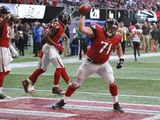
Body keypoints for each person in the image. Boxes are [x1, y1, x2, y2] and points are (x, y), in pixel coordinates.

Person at [51, 16, 124, 113]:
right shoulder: (97, 30)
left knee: (112, 81)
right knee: (75, 84)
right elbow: (81, 28)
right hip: (89, 63)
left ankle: (116, 104)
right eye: (109, 28)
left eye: (113, 29)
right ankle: (63, 101)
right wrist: (82, 15)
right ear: (105, 27)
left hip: (103, 64)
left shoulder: (118, 36)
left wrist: (121, 58)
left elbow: (118, 45)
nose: (110, 31)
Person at [22, 13, 71, 95]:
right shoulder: (58, 25)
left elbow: (55, 34)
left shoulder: (60, 26)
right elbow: (47, 36)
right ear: (64, 19)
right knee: (60, 67)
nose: (69, 20)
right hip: (50, 47)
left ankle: (27, 81)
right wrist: (56, 45)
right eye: (68, 19)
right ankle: (55, 87)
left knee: (43, 68)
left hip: (48, 47)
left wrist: (63, 39)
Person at [0, 6, 18, 99]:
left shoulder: (6, 23)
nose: (7, 14)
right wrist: (7, 17)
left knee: (7, 70)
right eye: (6, 13)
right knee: (2, 71)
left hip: (5, 48)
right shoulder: (2, 20)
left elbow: (8, 38)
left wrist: (12, 49)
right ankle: (0, 91)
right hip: (1, 48)